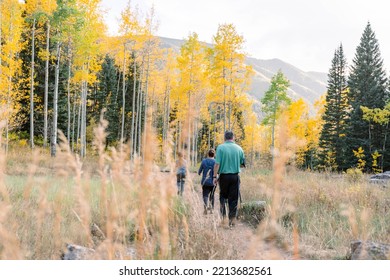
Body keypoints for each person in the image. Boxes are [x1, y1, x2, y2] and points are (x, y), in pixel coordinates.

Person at [213, 131, 245, 228]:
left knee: (223, 197)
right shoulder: (239, 148)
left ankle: (223, 219)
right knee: (234, 198)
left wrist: (215, 176)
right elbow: (242, 164)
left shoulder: (220, 148)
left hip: (223, 176)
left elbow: (217, 164)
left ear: (224, 138)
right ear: (233, 137)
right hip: (235, 176)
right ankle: (232, 220)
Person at [198, 149, 216, 215]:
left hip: (205, 182)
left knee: (205, 195)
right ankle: (212, 209)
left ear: (208, 154)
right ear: (214, 155)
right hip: (213, 182)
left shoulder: (204, 161)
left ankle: (205, 209)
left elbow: (199, 172)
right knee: (212, 195)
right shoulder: (216, 162)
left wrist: (200, 172)